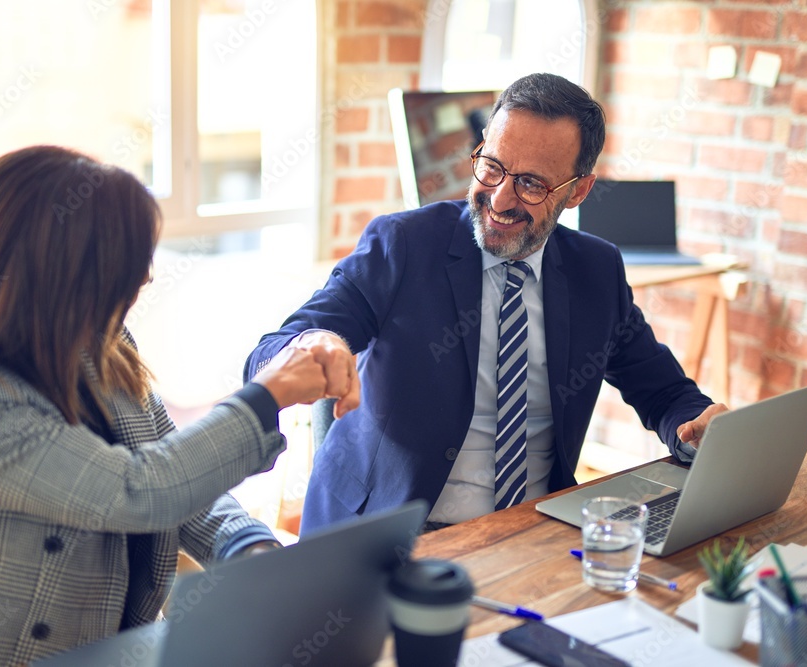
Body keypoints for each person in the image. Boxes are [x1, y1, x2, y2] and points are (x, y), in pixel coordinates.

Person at [0, 145, 353, 667]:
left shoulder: (102, 347)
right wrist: (268, 392)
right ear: (53, 271)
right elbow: (138, 489)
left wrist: (247, 549)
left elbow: (180, 476)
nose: (145, 276)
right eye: (127, 259)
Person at [244, 73, 727, 535]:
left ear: (578, 190)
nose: (499, 198)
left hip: (534, 531)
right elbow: (274, 348)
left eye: (532, 184)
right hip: (392, 535)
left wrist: (698, 425)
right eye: (491, 166)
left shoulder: (595, 271)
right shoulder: (403, 245)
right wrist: (313, 344)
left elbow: (663, 392)